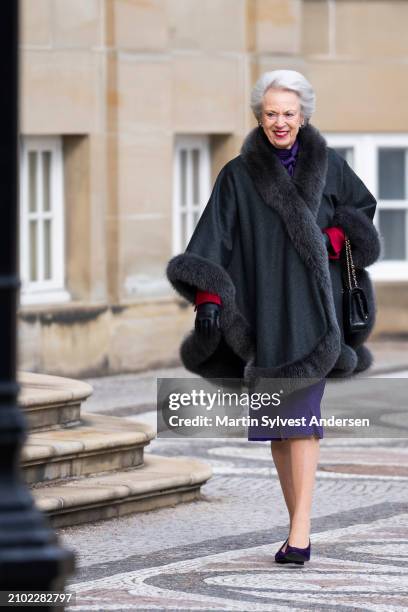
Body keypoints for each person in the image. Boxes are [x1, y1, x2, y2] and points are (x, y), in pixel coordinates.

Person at [166, 70, 381, 564]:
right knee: (278, 426)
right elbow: (212, 240)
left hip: (315, 313)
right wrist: (208, 302)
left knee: (300, 420)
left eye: (288, 113)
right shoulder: (238, 175)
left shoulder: (332, 168)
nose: (280, 122)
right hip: (264, 314)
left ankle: (301, 533)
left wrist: (334, 237)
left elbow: (361, 213)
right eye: (270, 114)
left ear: (303, 116)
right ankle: (294, 527)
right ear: (259, 117)